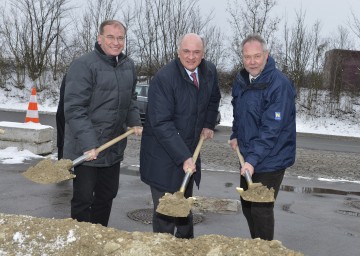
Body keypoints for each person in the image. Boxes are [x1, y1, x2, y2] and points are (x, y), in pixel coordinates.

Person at [139, 33, 221, 239]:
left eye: (196, 52)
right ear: (178, 52)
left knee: (184, 207)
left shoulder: (209, 71)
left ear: (203, 54)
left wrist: (208, 124)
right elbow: (161, 123)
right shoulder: (164, 79)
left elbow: (213, 98)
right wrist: (184, 156)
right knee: (166, 213)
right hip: (162, 156)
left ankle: (186, 247)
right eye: (186, 51)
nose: (191, 57)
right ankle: (163, 248)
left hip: (189, 151)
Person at [63, 20, 142, 227]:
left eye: (120, 38)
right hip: (86, 149)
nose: (116, 42)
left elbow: (131, 98)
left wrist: (134, 121)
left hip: (112, 145)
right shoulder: (84, 65)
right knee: (84, 199)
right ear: (99, 38)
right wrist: (90, 143)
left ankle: (99, 236)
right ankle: (81, 240)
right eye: (110, 37)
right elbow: (74, 108)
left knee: (106, 196)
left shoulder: (128, 66)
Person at [229, 34, 296, 241]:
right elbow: (239, 112)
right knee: (247, 205)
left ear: (266, 55)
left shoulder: (279, 84)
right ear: (242, 57)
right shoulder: (241, 81)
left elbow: (271, 129)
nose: (252, 62)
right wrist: (235, 134)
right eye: (247, 57)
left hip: (272, 158)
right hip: (249, 156)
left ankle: (264, 250)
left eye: (257, 56)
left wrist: (251, 161)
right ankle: (256, 246)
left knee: (261, 208)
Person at [55, 75, 66, 160]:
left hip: (63, 110)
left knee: (62, 138)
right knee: (63, 139)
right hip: (66, 111)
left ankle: (61, 160)